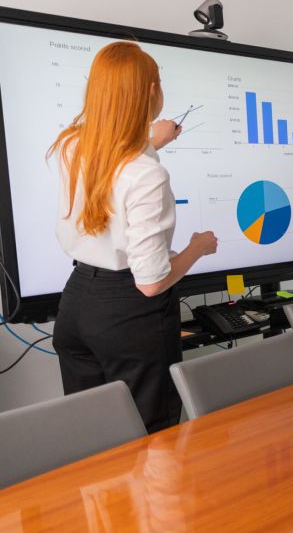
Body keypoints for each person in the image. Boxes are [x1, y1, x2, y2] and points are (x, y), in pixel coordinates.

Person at [49, 42, 218, 433]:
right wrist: (196, 249)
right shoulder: (145, 173)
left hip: (76, 306)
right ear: (151, 93)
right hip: (129, 316)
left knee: (94, 438)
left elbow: (111, 168)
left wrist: (150, 144)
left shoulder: (72, 145)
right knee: (151, 441)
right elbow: (152, 281)